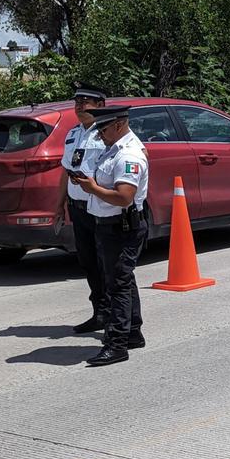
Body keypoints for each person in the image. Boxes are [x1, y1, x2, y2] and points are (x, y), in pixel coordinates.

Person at [74, 106, 149, 367]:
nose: (100, 135)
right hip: (110, 225)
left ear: (119, 125)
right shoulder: (113, 148)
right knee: (123, 279)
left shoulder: (129, 154)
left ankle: (116, 344)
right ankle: (133, 332)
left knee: (117, 284)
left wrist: (92, 188)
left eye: (103, 130)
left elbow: (124, 197)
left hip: (122, 226)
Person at [57, 82, 108, 334]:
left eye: (85, 102)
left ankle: (117, 317)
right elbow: (65, 172)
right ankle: (99, 312)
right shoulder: (72, 134)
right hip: (78, 207)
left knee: (106, 262)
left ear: (100, 105)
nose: (79, 106)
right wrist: (59, 205)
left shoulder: (108, 133)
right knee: (88, 261)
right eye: (77, 102)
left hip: (100, 206)